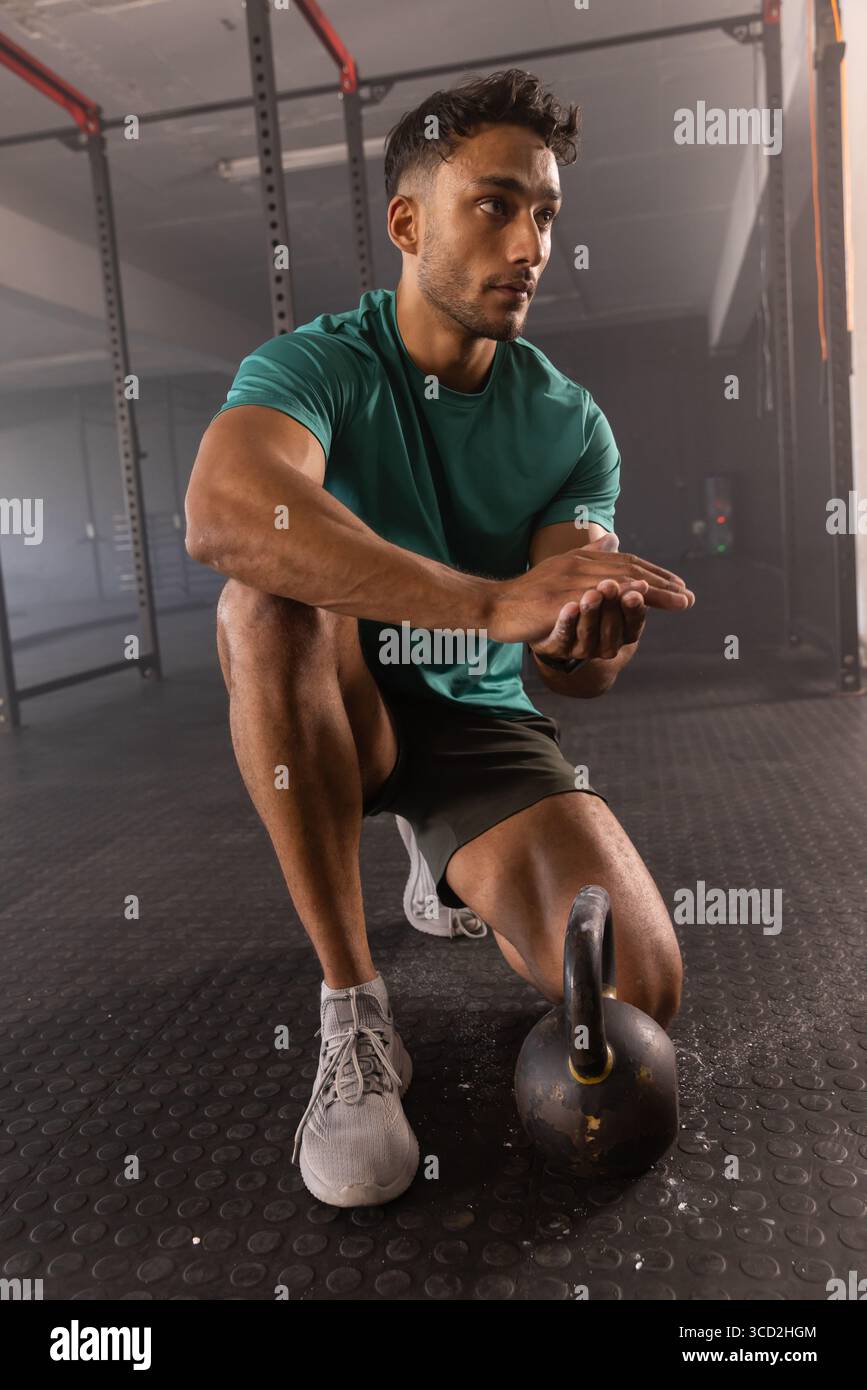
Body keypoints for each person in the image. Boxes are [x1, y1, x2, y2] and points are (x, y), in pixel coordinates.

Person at [185, 68, 694, 1209]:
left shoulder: (568, 422)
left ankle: (445, 851)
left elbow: (577, 672)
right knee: (263, 601)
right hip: (340, 695)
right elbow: (223, 511)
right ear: (408, 224)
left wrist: (581, 636)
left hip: (478, 722)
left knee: (633, 995)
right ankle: (355, 1013)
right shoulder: (317, 367)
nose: (531, 245)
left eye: (545, 213)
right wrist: (484, 604)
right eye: (495, 206)